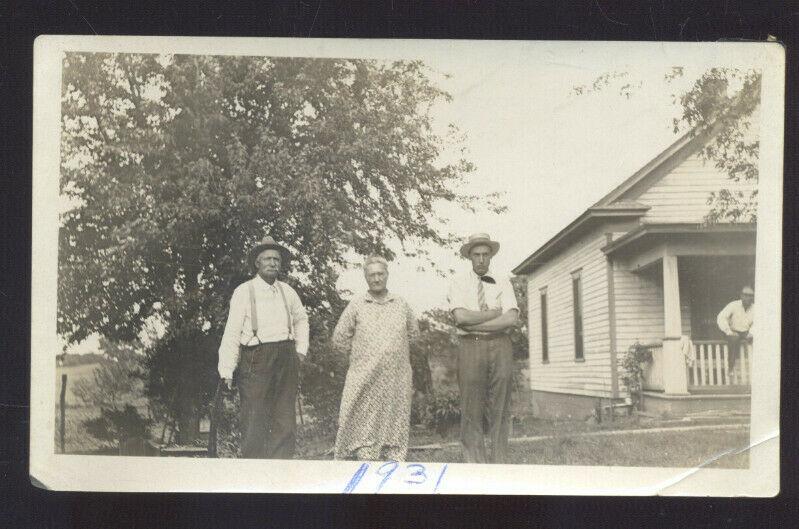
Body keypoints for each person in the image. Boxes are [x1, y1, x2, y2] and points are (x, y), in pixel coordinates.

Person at [217, 236, 309, 459]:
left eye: (276, 259)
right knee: (254, 418)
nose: (272, 263)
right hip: (256, 359)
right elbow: (232, 331)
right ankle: (253, 474)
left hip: (286, 357)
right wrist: (227, 369)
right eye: (267, 258)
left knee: (284, 418)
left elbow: (301, 319)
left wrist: (300, 349)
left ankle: (280, 473)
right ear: (257, 263)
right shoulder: (244, 291)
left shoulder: (288, 291)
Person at [332, 255, 420, 461]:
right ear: (365, 277)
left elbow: (414, 334)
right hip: (364, 373)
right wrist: (360, 360)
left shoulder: (401, 304)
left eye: (380, 274)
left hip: (396, 375)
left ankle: (393, 451)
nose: (377, 278)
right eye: (372, 275)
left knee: (395, 412)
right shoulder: (357, 304)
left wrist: (395, 353)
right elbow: (339, 338)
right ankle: (363, 450)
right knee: (360, 410)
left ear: (387, 275)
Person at [447, 233, 519, 464]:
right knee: (471, 404)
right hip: (471, 346)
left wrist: (476, 322)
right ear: (469, 256)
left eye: (485, 255)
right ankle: (475, 462)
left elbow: (510, 319)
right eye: (476, 255)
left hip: (500, 345)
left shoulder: (503, 280)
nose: (481, 260)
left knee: (501, 402)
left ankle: (499, 460)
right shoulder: (458, 282)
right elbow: (460, 317)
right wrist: (491, 314)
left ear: (490, 256)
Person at [716, 285, 755, 375]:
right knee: (734, 339)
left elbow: (758, 322)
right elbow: (721, 317)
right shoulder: (733, 305)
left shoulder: (755, 308)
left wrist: (752, 333)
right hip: (733, 330)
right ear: (741, 295)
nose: (748, 297)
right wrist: (728, 331)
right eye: (745, 295)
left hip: (746, 332)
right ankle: (731, 368)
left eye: (750, 295)